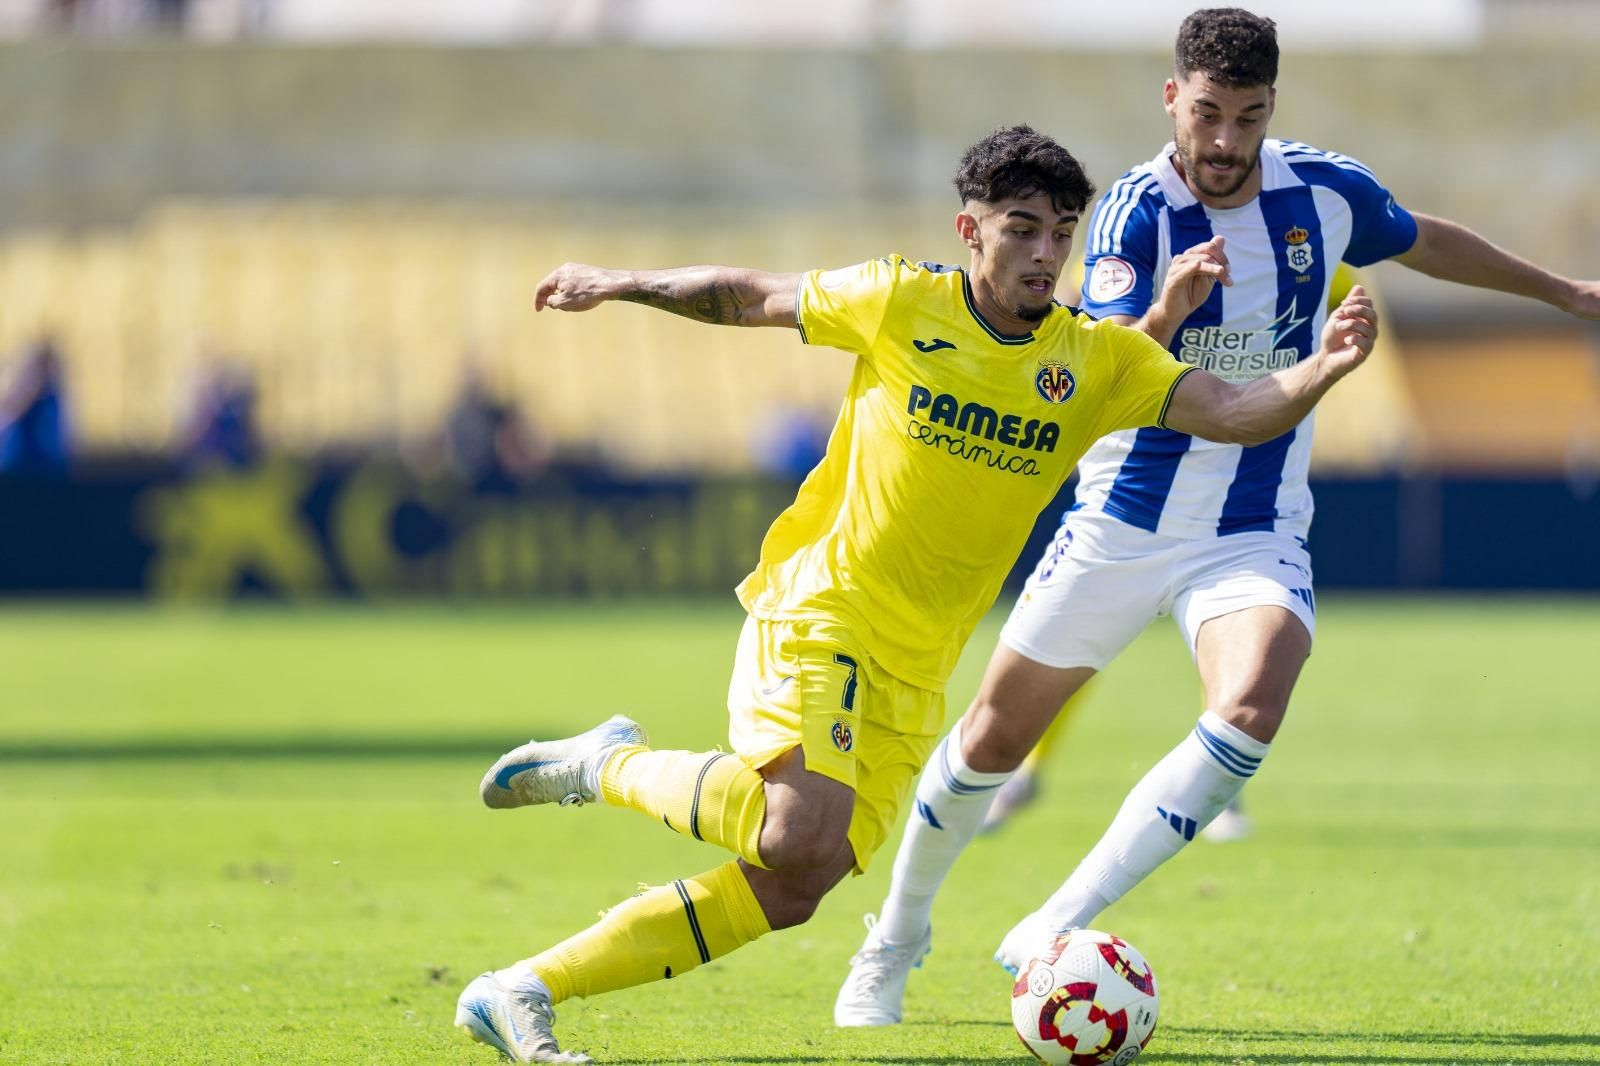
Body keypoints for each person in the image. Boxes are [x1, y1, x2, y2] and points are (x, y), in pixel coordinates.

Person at [455, 123, 1378, 1064]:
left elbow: (1233, 411)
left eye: (1063, 232)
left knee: (796, 883)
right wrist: (618, 281)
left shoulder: (1095, 358)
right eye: (1021, 228)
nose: (1045, 253)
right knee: (794, 828)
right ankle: (608, 765)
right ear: (969, 231)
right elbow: (749, 295)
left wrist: (1323, 367)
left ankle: (521, 989)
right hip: (825, 604)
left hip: (917, 660)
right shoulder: (900, 300)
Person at [834, 7, 1600, 1029]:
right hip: (1122, 518)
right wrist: (1169, 315)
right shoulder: (1128, 219)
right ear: (1171, 100)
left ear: (1270, 107)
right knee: (988, 740)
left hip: (1250, 526)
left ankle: (1055, 922)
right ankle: (894, 935)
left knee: (1253, 698)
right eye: (1207, 114)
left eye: (1247, 116)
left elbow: (1418, 238)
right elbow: (1094, 375)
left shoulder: (1323, 190)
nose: (1226, 141)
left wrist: (1557, 290)